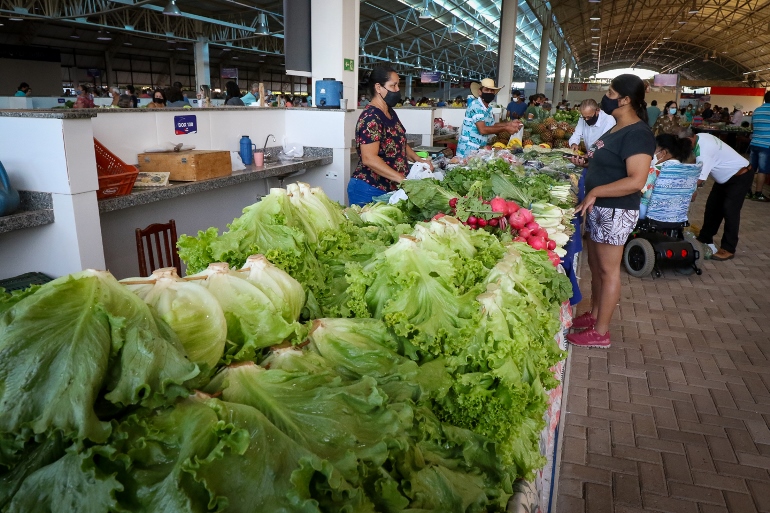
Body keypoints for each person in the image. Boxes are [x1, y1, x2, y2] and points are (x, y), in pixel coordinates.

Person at [565, 74, 655, 348]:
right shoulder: (616, 127)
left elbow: (636, 180)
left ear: (626, 100)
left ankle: (601, 332)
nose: (606, 95)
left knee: (608, 270)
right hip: (600, 208)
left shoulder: (638, 134)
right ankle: (594, 315)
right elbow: (608, 164)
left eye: (611, 92)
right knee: (595, 266)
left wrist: (594, 191)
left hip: (615, 209)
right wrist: (586, 165)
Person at [348, 65, 433, 206]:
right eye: (393, 86)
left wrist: (418, 159)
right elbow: (369, 158)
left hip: (390, 187)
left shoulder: (389, 112)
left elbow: (400, 142)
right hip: (370, 189)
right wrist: (402, 180)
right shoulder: (371, 117)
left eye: (398, 85)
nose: (397, 90)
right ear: (378, 87)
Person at [679, 130, 755, 260]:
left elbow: (700, 180)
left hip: (740, 176)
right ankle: (704, 238)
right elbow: (695, 161)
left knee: (730, 210)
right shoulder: (701, 137)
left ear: (690, 138)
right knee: (712, 207)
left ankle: (728, 248)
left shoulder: (705, 151)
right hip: (725, 178)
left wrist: (684, 190)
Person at [455, 78, 523, 158]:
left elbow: (492, 125)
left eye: (492, 91)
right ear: (480, 92)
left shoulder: (489, 108)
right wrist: (506, 128)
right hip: (467, 151)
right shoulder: (476, 106)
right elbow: (483, 129)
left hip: (479, 150)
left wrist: (509, 123)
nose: (489, 92)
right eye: (486, 90)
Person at [639, 134, 697, 219]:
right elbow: (693, 197)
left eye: (653, 149)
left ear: (663, 153)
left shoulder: (653, 171)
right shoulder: (688, 172)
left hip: (650, 215)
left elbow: (643, 192)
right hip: (676, 217)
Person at [748, 91, 770, 201]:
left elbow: (752, 127)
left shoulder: (757, 110)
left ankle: (747, 191)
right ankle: (758, 193)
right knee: (763, 170)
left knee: (751, 169)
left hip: (754, 143)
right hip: (766, 144)